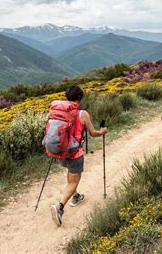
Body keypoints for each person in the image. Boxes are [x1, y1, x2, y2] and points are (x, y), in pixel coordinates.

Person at [50, 85, 108, 227]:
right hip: (75, 153)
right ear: (80, 98)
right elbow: (93, 133)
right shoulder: (82, 113)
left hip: (61, 151)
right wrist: (103, 131)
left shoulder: (60, 112)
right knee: (73, 181)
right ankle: (60, 207)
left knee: (70, 174)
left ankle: (76, 196)